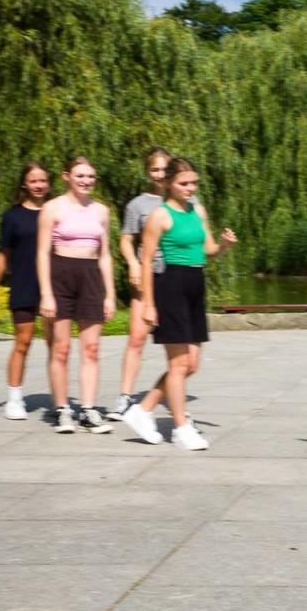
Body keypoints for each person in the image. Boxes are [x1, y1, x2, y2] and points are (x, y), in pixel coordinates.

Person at [118, 157, 237, 450]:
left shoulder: (198, 209)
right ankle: (182, 428)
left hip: (196, 285)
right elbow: (146, 260)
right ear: (169, 183)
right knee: (178, 363)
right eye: (184, 183)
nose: (190, 188)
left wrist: (223, 246)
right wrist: (148, 303)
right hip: (170, 285)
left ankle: (143, 409)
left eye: (194, 183)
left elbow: (206, 248)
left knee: (191, 364)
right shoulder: (160, 215)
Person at [36, 156, 117, 434]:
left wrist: (110, 294)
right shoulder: (52, 208)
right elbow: (42, 253)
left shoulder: (101, 211)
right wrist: (46, 293)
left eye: (91, 176)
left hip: (90, 276)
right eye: (80, 176)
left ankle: (89, 410)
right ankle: (62, 410)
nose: (86, 181)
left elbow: (105, 255)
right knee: (61, 348)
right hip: (61, 275)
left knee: (91, 349)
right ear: (66, 176)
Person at [0, 162, 52, 420]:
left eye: (43, 180)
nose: (39, 185)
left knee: (55, 344)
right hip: (24, 283)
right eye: (34, 181)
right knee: (22, 341)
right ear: (24, 184)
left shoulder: (56, 211)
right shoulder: (12, 216)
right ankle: (14, 399)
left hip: (52, 286)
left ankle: (59, 401)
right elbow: (4, 254)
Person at [111, 147, 171, 422]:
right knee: (137, 337)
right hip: (147, 276)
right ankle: (125, 396)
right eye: (155, 170)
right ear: (148, 172)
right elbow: (126, 240)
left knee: (177, 342)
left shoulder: (184, 200)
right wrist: (133, 264)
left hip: (174, 276)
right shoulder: (138, 205)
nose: (160, 175)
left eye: (164, 169)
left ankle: (174, 396)